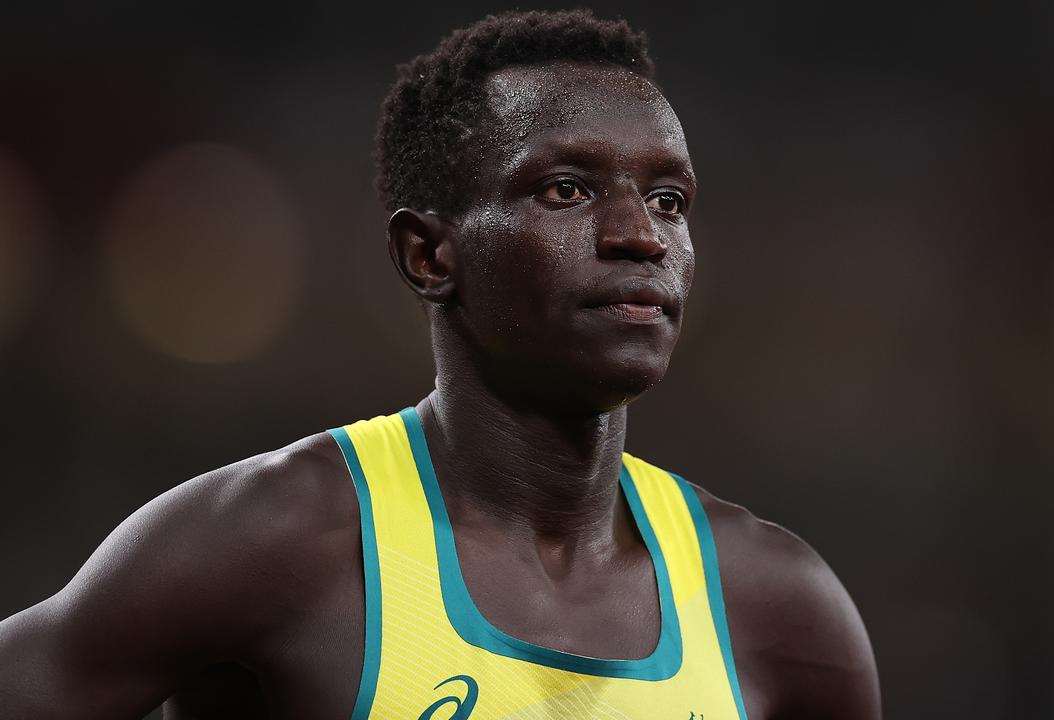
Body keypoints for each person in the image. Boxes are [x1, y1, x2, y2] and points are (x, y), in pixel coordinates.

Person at [0, 10, 879, 719]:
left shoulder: (778, 612)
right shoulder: (273, 544)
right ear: (429, 255)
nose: (639, 235)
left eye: (667, 199)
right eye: (566, 189)